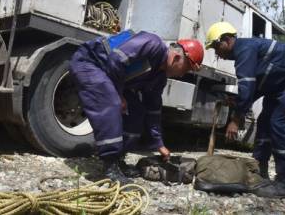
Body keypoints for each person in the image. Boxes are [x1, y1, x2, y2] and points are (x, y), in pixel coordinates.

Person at [70, 30, 203, 184]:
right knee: (112, 103)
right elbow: (115, 59)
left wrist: (159, 144)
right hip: (90, 63)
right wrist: (119, 95)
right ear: (177, 57)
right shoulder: (153, 44)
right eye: (186, 69)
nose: (182, 74)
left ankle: (118, 159)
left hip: (112, 76)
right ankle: (109, 166)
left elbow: (153, 109)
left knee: (137, 112)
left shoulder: (159, 78)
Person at [205, 21, 285, 198]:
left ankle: (283, 183)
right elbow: (254, 89)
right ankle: (259, 173)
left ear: (227, 40)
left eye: (216, 47)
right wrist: (238, 103)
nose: (217, 53)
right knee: (265, 123)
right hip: (281, 86)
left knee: (279, 124)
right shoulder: (247, 52)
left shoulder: (244, 51)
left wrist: (236, 119)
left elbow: (248, 89)